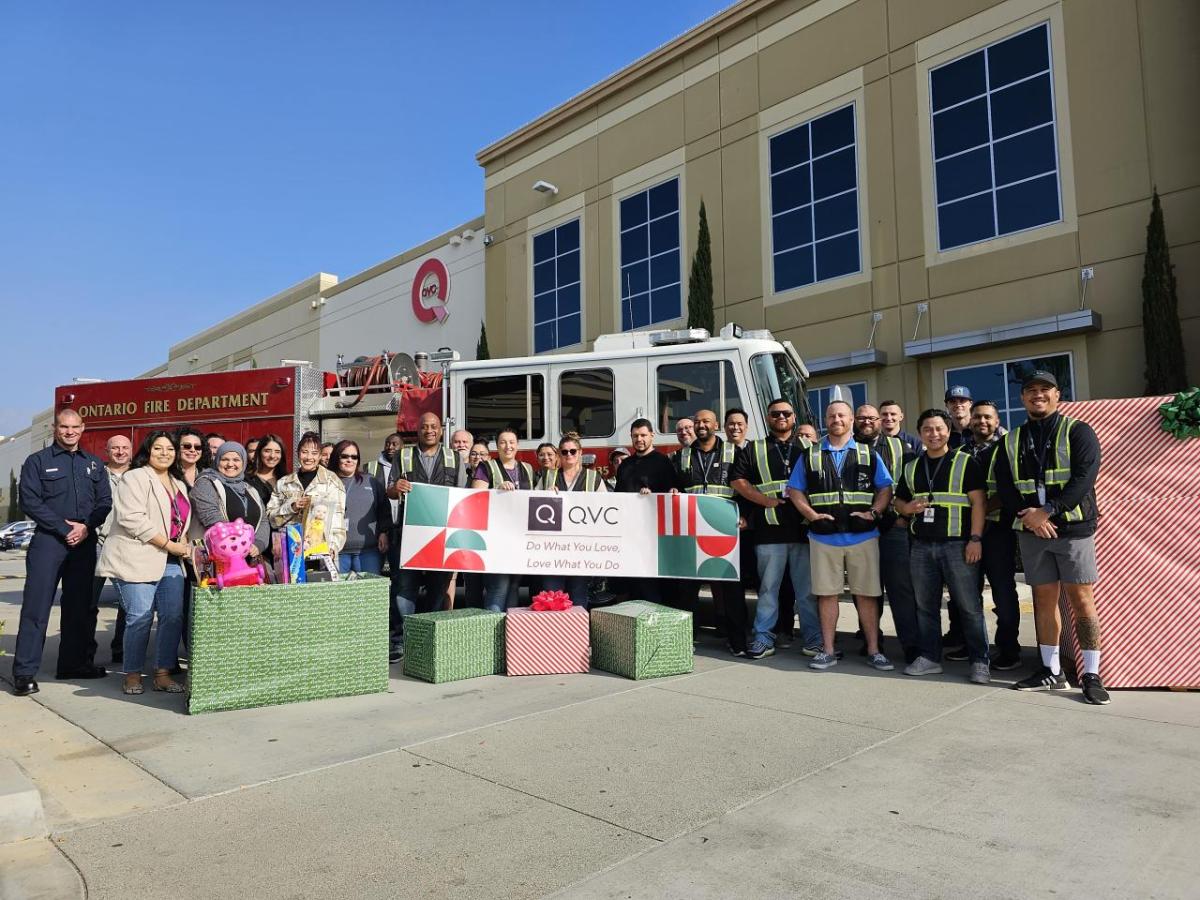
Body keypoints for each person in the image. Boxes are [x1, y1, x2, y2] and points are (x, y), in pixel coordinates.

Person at [994, 371, 1108, 704]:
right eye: (1031, 390)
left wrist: (1049, 510)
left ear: (1058, 395)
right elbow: (1005, 487)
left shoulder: (1079, 431)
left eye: (1045, 389)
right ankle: (1051, 671)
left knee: (1082, 600)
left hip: (1073, 529)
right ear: (1022, 398)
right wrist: (1030, 518)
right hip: (1032, 531)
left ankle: (1091, 673)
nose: (1037, 395)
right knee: (1043, 601)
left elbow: (1085, 478)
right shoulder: (1011, 440)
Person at [787, 401, 894, 672]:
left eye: (842, 415)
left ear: (851, 420)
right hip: (824, 537)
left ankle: (874, 650)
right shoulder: (810, 454)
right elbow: (795, 491)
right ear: (826, 419)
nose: (837, 419)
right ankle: (828, 651)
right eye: (832, 415)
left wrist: (875, 512)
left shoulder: (868, 454)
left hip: (863, 535)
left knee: (867, 595)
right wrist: (811, 516)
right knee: (826, 595)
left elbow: (885, 487)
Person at [11, 409, 113, 696]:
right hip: (49, 541)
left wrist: (86, 526)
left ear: (83, 428)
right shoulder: (37, 462)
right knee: (36, 607)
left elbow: (105, 502)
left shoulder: (94, 464)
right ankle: (24, 672)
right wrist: (62, 527)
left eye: (74, 427)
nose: (69, 432)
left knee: (79, 607)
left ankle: (73, 664)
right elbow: (29, 501)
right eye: (63, 427)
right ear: (54, 428)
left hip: (83, 543)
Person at [893, 410, 990, 684]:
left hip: (958, 545)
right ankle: (930, 658)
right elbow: (899, 502)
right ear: (920, 433)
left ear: (948, 431)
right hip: (922, 546)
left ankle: (980, 661)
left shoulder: (965, 462)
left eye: (938, 429)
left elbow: (979, 504)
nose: (933, 434)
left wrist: (975, 539)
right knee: (925, 607)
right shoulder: (912, 466)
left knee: (969, 606)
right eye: (927, 429)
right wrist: (907, 508)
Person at [97, 431, 191, 696]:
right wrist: (169, 544)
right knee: (140, 617)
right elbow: (131, 519)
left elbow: (180, 522)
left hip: (171, 560)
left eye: (170, 449)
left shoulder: (178, 483)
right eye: (158, 448)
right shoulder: (135, 477)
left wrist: (184, 544)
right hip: (136, 556)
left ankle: (162, 673)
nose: (165, 453)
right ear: (147, 451)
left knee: (172, 616)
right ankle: (133, 673)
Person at [729, 399, 820, 660]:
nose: (781, 417)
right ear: (768, 418)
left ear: (794, 417)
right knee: (768, 590)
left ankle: (813, 639)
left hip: (804, 531)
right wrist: (766, 500)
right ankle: (763, 638)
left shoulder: (810, 447)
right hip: (769, 531)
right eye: (775, 413)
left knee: (806, 591)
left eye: (786, 413)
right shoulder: (754, 448)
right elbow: (737, 479)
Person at [389, 414, 467, 653]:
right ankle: (403, 640)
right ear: (418, 430)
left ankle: (430, 636)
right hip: (409, 531)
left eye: (434, 427)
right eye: (424, 427)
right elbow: (390, 491)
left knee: (438, 586)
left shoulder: (454, 458)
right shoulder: (402, 456)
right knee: (405, 586)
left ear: (441, 431)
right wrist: (396, 488)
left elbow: (464, 495)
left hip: (443, 534)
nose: (429, 430)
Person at [675, 409, 748, 656]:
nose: (701, 425)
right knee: (687, 591)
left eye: (706, 421)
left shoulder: (735, 452)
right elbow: (671, 487)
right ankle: (685, 640)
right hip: (691, 534)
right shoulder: (681, 456)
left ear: (716, 425)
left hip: (725, 533)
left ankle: (737, 642)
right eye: (697, 421)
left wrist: (745, 515)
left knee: (732, 590)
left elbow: (749, 488)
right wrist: (672, 490)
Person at [853, 404, 921, 665]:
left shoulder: (901, 448)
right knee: (867, 589)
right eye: (861, 418)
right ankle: (872, 641)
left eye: (871, 417)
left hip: (894, 527)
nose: (867, 421)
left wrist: (905, 517)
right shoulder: (847, 448)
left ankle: (911, 645)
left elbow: (910, 486)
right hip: (860, 530)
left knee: (901, 589)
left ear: (880, 420)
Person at [965, 400, 1021, 670]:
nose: (981, 422)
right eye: (977, 417)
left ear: (997, 421)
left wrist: (981, 509)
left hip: (999, 532)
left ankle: (1009, 650)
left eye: (987, 417)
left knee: (1003, 593)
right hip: (968, 534)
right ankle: (972, 646)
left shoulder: (1009, 449)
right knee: (966, 594)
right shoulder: (962, 451)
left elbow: (1010, 490)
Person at [540, 432, 607, 606]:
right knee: (552, 596)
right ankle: (553, 633)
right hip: (552, 550)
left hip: (581, 549)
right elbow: (531, 506)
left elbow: (606, 509)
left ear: (580, 452)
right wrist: (542, 495)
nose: (568, 455)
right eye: (564, 452)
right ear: (559, 454)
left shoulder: (593, 478)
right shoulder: (547, 477)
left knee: (579, 596)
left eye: (573, 451)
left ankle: (578, 633)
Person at [471, 426, 535, 610]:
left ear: (518, 445)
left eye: (512, 442)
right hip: (495, 537)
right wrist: (496, 490)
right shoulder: (486, 467)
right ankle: (492, 636)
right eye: (503, 442)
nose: (508, 446)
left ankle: (509, 635)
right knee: (498, 587)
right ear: (496, 446)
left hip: (519, 537)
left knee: (514, 586)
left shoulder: (527, 469)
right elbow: (475, 496)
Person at [268, 432, 347, 558]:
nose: (309, 457)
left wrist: (332, 548)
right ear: (298, 453)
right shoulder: (284, 483)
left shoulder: (332, 482)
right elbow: (272, 520)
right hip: (290, 552)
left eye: (314, 453)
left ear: (320, 456)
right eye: (304, 452)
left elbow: (337, 522)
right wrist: (291, 507)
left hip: (320, 551)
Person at [193, 442, 271, 558]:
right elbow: (211, 517)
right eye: (225, 459)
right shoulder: (206, 482)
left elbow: (263, 520)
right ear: (217, 460)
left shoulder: (249, 488)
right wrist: (240, 543)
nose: (230, 464)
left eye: (236, 459)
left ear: (243, 462)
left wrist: (258, 544)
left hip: (249, 556)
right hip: (219, 557)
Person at [94, 435, 132, 665]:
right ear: (107, 451)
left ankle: (121, 649)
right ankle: (84, 651)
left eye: (124, 448)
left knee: (128, 604)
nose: (120, 451)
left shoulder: (139, 475)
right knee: (88, 602)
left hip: (127, 546)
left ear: (131, 450)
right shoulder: (97, 474)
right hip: (98, 544)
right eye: (115, 448)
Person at [332, 440, 391, 575]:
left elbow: (384, 509)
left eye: (354, 457)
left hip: (369, 552)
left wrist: (384, 532)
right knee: (340, 595)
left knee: (371, 594)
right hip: (337, 553)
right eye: (344, 456)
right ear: (337, 457)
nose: (349, 460)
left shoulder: (371, 481)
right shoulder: (328, 483)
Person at [246, 433, 289, 507]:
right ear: (259, 452)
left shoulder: (287, 480)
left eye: (277, 452)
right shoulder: (247, 480)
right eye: (267, 451)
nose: (272, 456)